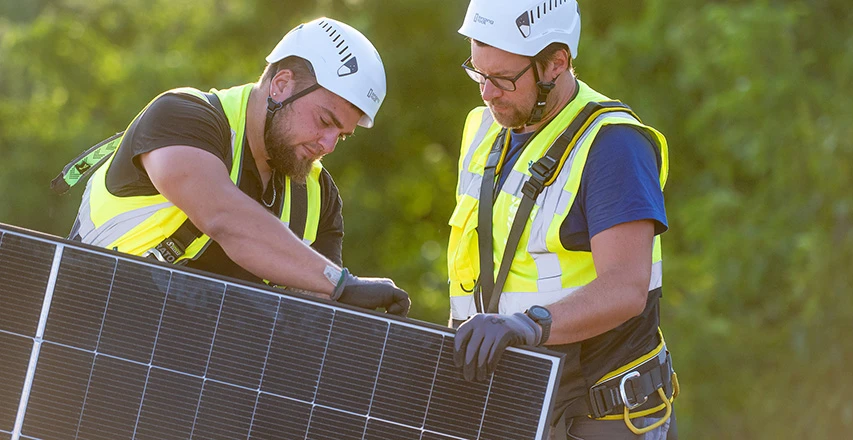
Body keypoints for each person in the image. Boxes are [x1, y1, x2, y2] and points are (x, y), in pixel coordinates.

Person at [61, 17, 410, 316]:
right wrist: (342, 285)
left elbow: (314, 309)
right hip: (88, 334)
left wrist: (357, 313)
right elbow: (224, 216)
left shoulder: (320, 197)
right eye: (324, 120)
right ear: (281, 85)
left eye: (342, 135)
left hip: (197, 379)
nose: (328, 144)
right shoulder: (182, 117)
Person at [447, 1, 679, 438]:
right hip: (512, 404)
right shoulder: (482, 128)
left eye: (501, 78)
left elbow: (627, 287)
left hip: (599, 416)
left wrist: (525, 325)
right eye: (477, 72)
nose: (486, 92)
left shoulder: (614, 146)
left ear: (557, 63)